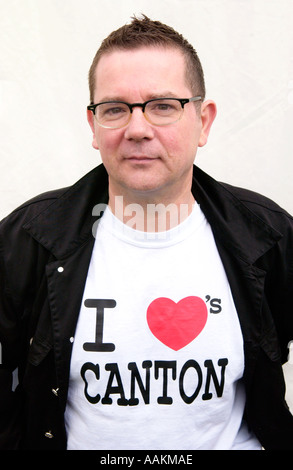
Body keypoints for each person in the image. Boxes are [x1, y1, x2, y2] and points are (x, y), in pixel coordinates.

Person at [0, 15, 292, 451]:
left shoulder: (268, 234)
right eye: (115, 109)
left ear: (203, 121)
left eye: (163, 106)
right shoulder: (27, 239)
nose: (138, 129)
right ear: (93, 126)